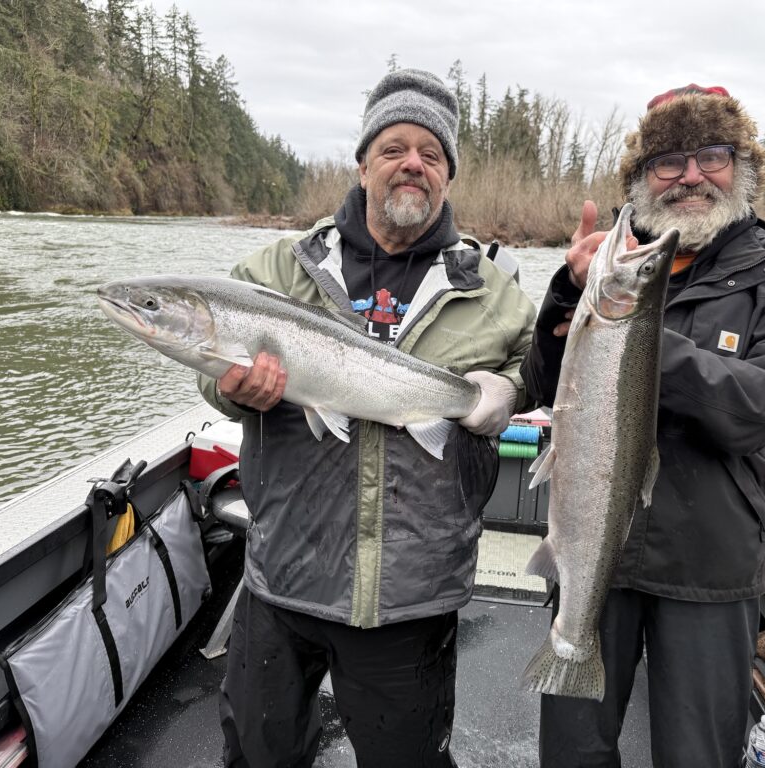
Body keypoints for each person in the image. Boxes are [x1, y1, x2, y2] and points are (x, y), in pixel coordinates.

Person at [198, 68, 536, 768]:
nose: (413, 163)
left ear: (447, 176)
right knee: (257, 757)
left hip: (413, 596)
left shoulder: (492, 290)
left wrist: (507, 391)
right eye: (394, 148)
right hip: (284, 575)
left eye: (431, 154)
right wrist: (234, 391)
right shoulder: (279, 269)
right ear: (362, 165)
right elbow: (210, 371)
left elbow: (539, 370)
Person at [521, 84, 765, 767]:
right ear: (640, 179)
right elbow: (542, 391)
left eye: (712, 155)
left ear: (742, 168)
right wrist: (568, 296)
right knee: (571, 753)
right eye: (668, 161)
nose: (690, 176)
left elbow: (761, 408)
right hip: (597, 552)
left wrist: (635, 334)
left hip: (710, 566)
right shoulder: (610, 270)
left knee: (697, 756)